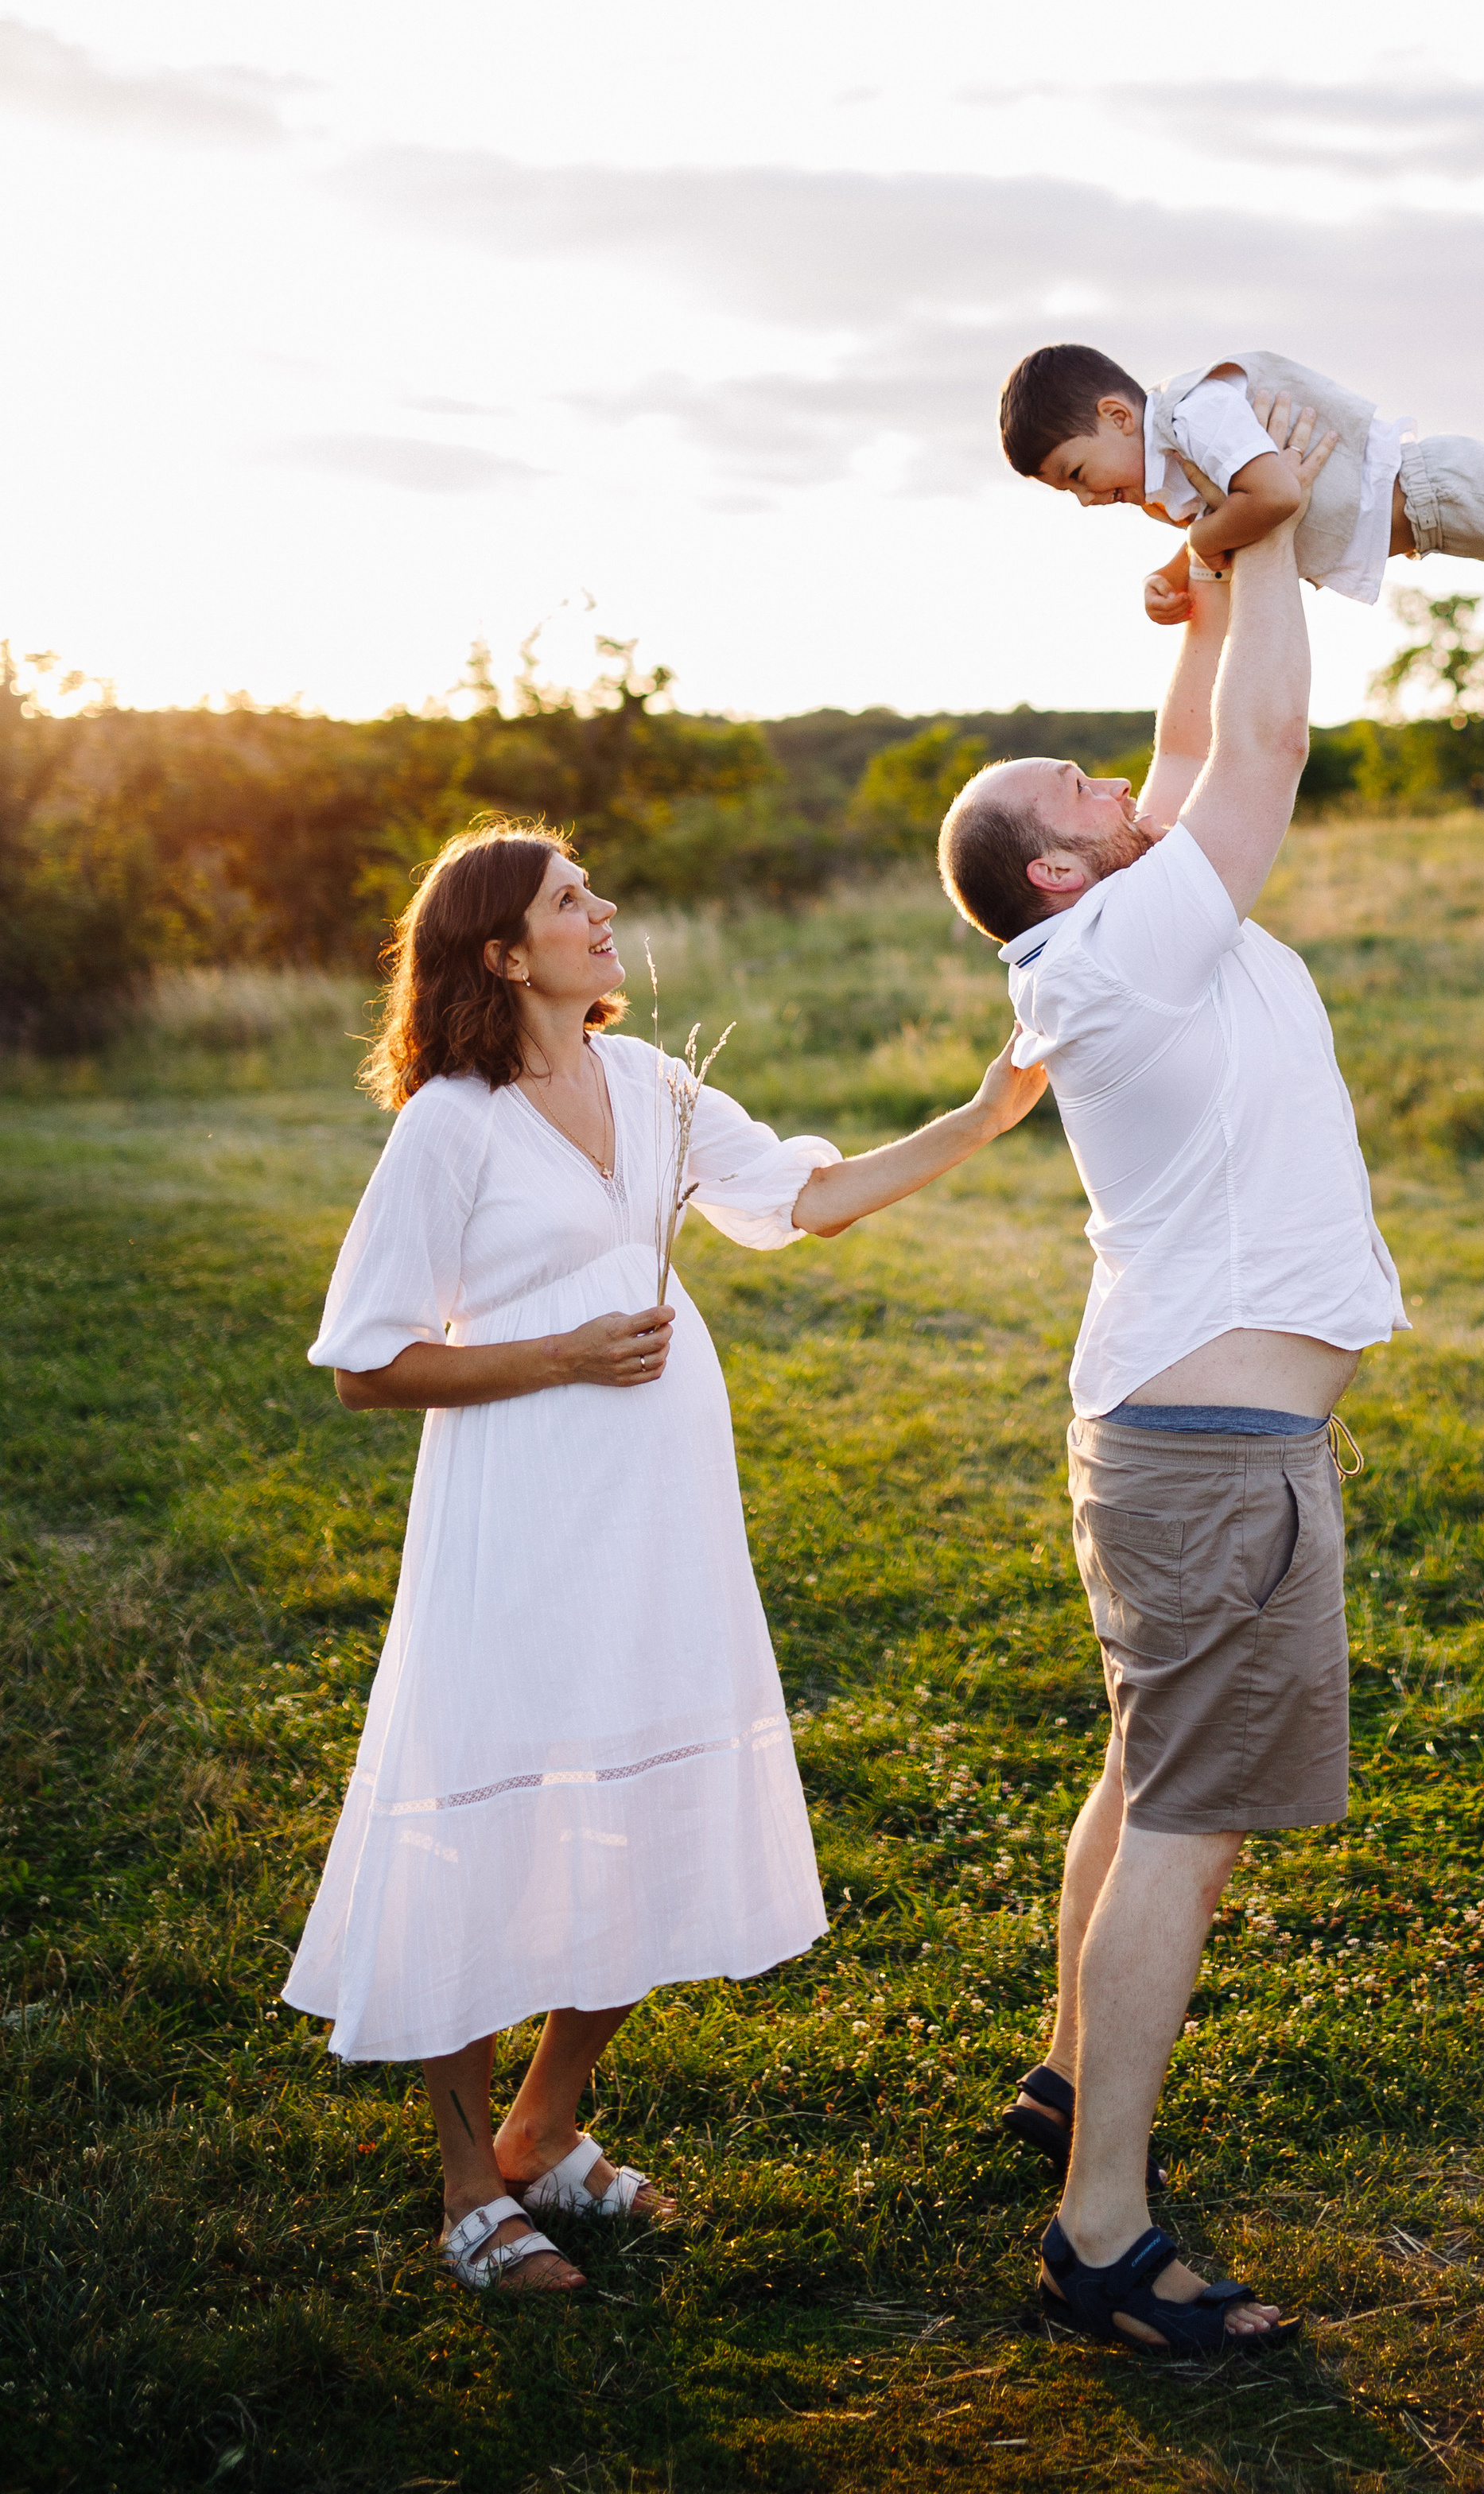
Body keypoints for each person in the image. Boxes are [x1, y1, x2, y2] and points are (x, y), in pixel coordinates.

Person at [285, 820, 1043, 2296]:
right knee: (488, 1818)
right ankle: (464, 2192)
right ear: (504, 954)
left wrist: (985, 1114)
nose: (604, 906)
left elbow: (802, 1200)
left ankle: (544, 2129)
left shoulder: (654, 1082)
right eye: (573, 900)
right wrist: (562, 1351)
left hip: (662, 1514)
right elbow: (366, 1366)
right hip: (521, 1517)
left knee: (641, 1801)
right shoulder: (450, 1121)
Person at [936, 406, 1397, 2358]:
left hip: (1181, 1430)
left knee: (1142, 1769)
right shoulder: (1125, 939)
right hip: (1209, 1452)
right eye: (1075, 777)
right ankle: (1100, 2231)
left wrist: (1203, 581)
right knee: (1186, 1819)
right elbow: (1259, 754)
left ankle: (1062, 2075)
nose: (1112, 770)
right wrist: (1266, 534)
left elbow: (1196, 740)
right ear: (1056, 861)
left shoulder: (1114, 927)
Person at [998, 281, 1484, 628]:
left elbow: (1273, 496)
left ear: (1115, 414)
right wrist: (1167, 582)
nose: (1085, 498)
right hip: (1429, 518)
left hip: (1428, 488)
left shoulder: (1192, 410)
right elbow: (1242, 518)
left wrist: (1199, 546)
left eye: (1076, 473)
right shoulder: (1176, 472)